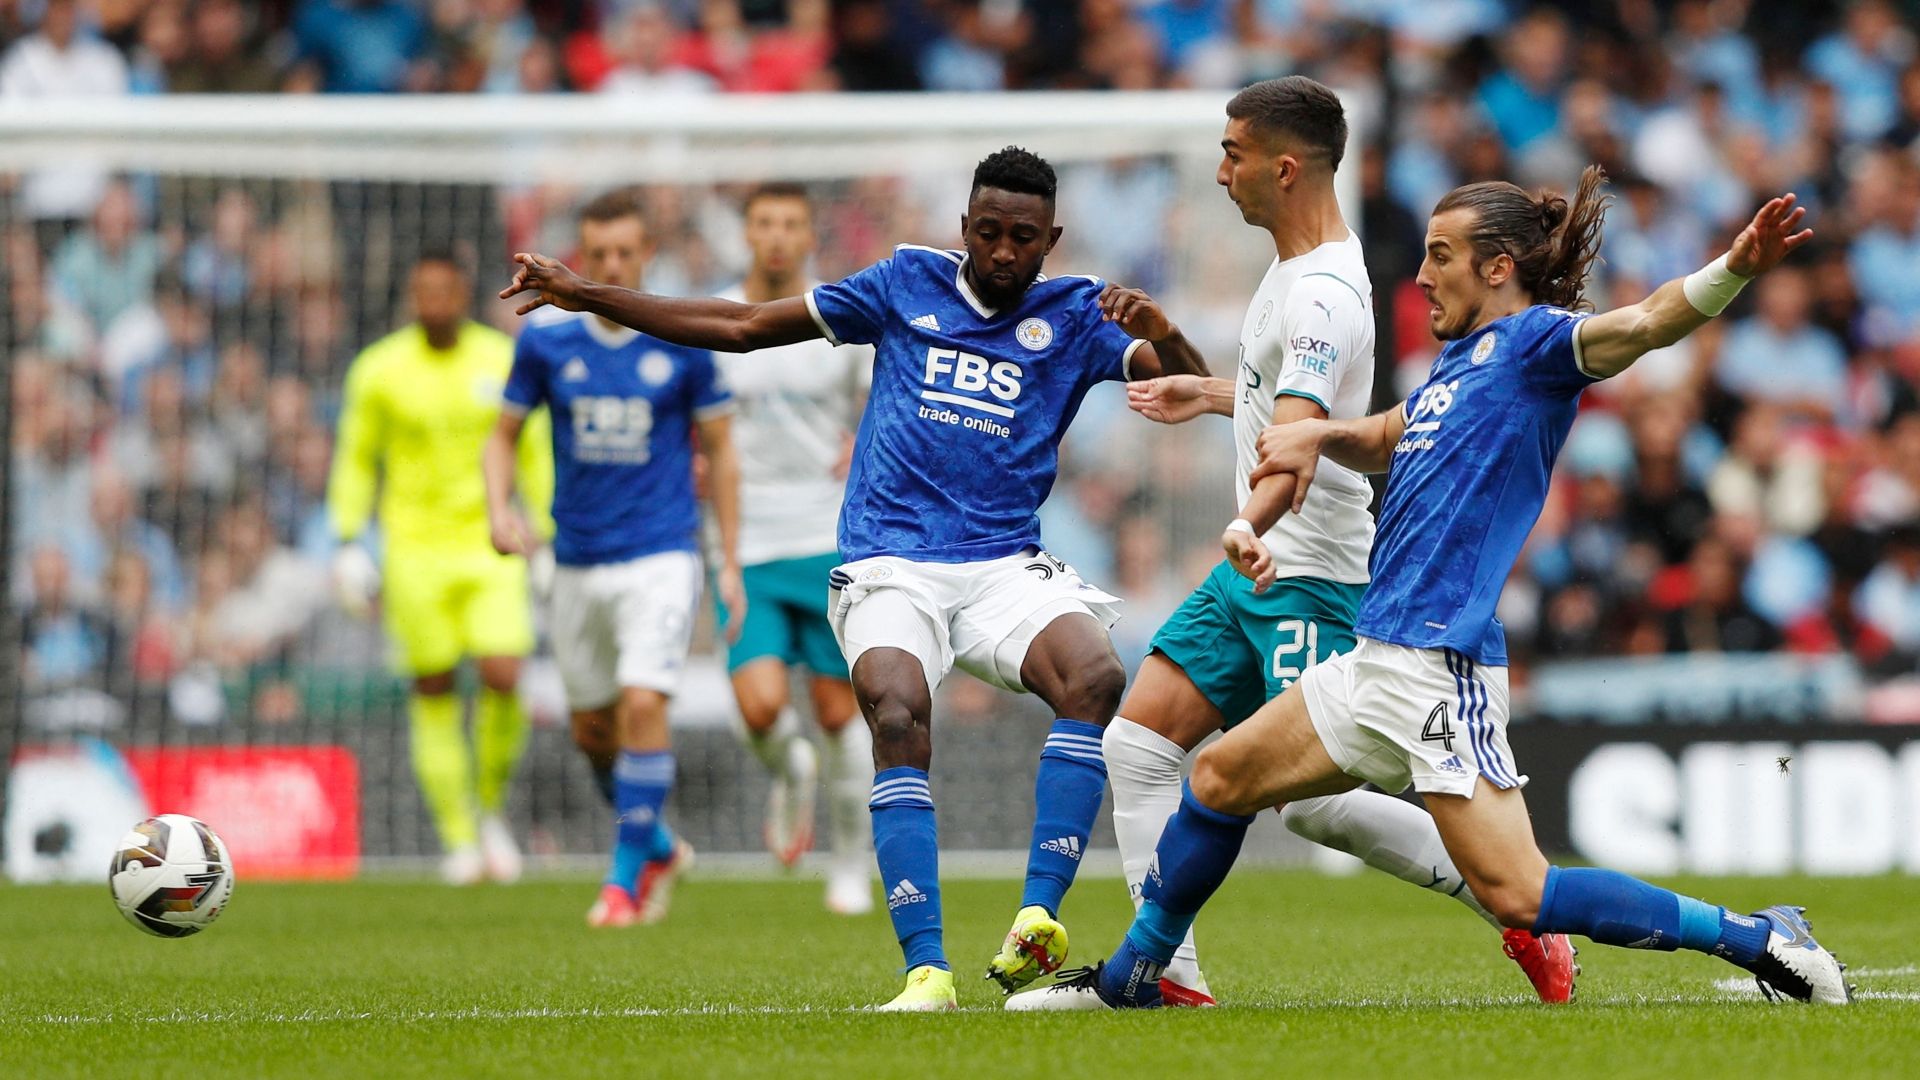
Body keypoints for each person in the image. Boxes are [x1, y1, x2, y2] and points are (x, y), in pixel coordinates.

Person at [1016, 174, 1853, 1009]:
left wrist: (1735, 267)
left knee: (1520, 892)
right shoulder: (1458, 366)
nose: (1420, 275)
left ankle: (1762, 937)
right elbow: (1390, 434)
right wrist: (1321, 432)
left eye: (1440, 255)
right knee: (1218, 779)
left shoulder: (1535, 346)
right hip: (1373, 658)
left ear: (1496, 268)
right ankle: (1135, 979)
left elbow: (1643, 323)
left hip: (1438, 669)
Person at [501, 147, 1210, 1010]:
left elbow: (1187, 388)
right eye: (986, 232)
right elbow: (743, 325)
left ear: (1050, 237)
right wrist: (589, 294)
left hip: (1003, 565)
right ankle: (927, 971)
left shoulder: (1078, 313)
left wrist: (1163, 329)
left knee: (1096, 674)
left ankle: (1035, 918)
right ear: (964, 228)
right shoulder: (905, 283)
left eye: (1022, 237)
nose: (1002, 252)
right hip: (889, 560)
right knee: (897, 712)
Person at [1068, 76, 1575, 1010]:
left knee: (1307, 800)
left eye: (1233, 153)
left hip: (1307, 572)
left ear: (1284, 166)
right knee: (1138, 741)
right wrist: (1213, 391)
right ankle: (1166, 975)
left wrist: (1243, 521)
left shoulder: (1327, 294)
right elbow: (1300, 406)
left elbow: (1299, 441)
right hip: (1253, 572)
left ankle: (1521, 915)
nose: (1221, 173)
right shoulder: (1297, 272)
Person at [483, 189, 744, 928]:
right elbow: (501, 435)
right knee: (593, 731)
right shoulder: (545, 341)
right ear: (582, 258)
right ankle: (656, 842)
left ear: (646, 255)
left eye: (626, 253)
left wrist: (727, 556)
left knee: (641, 703)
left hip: (661, 554)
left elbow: (722, 453)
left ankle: (623, 880)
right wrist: (501, 509)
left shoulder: (679, 339)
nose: (613, 265)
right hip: (576, 560)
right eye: (599, 255)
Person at [328, 252, 553, 886]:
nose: (434, 302)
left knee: (504, 673)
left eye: (444, 290)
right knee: (432, 690)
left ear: (462, 293)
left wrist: (548, 531)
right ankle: (456, 835)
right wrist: (346, 538)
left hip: (493, 541)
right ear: (410, 297)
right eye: (422, 291)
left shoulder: (498, 358)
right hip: (413, 553)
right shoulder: (379, 370)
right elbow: (355, 457)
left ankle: (488, 810)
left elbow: (532, 444)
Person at [712, 182, 875, 915]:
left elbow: (884, 405)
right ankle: (789, 767)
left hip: (826, 537)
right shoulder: (716, 319)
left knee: (842, 715)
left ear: (809, 236)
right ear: (746, 233)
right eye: (764, 223)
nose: (776, 237)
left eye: (790, 225)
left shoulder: (837, 322)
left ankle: (849, 864)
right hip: (746, 542)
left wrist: (865, 445)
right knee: (759, 708)